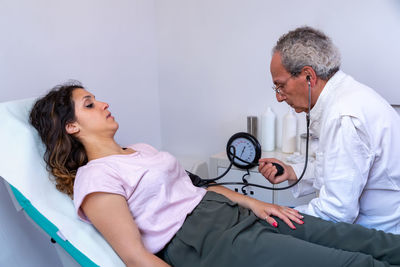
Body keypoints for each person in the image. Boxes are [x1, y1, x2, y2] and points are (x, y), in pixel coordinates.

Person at [29, 82, 400, 267]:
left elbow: (198, 187)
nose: (104, 103)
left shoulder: (141, 150)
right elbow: (135, 257)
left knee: (357, 239)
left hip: (229, 213)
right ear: (72, 127)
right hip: (204, 242)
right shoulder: (95, 178)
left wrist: (254, 203)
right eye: (90, 104)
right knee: (351, 264)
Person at [259, 26, 400, 234]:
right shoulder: (349, 97)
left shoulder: (343, 116)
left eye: (280, 86)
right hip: (372, 225)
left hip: (375, 235)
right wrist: (292, 172)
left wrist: (278, 213)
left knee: (265, 228)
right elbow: (340, 168)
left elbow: (337, 211)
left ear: (308, 76)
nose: (279, 97)